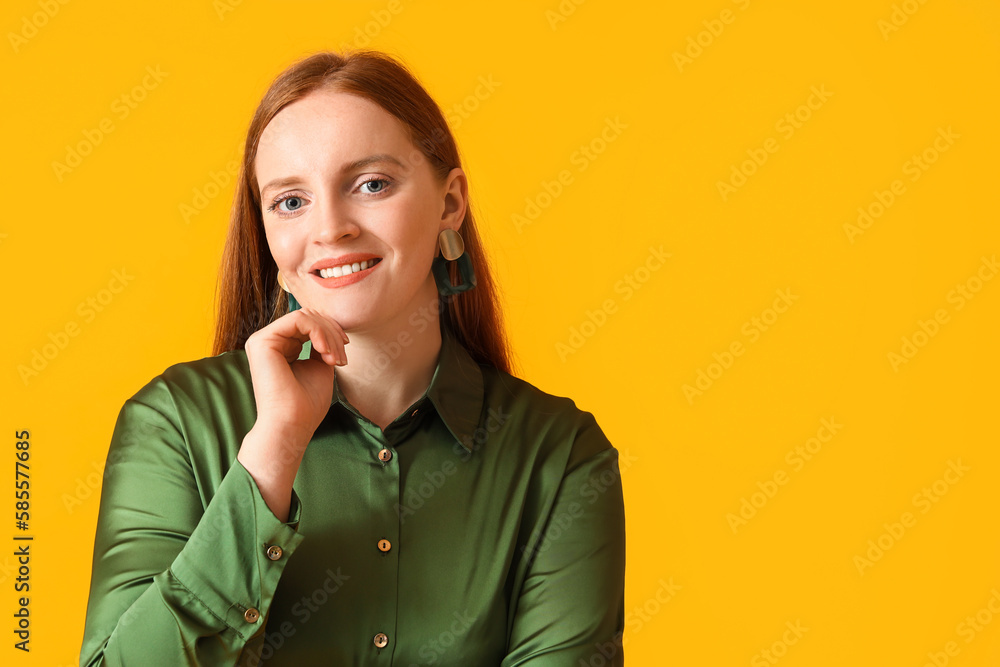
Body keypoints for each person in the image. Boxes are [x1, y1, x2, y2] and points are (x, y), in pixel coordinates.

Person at [80, 49, 626, 666]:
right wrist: (271, 457)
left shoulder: (560, 457)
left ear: (450, 204)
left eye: (371, 184)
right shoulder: (173, 423)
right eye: (290, 201)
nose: (331, 227)